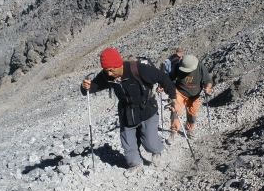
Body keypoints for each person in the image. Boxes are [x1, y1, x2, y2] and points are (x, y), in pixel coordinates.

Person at [81, 47, 181, 177]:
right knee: (128, 144)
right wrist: (85, 87)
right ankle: (135, 163)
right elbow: (91, 89)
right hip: (127, 112)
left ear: (119, 64)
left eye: (111, 70)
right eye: (107, 70)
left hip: (147, 108)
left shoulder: (138, 69)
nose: (109, 74)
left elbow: (162, 77)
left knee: (150, 143)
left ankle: (157, 151)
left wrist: (173, 98)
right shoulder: (106, 75)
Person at [159, 54, 213, 145]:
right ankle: (174, 131)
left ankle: (190, 129)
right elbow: (169, 77)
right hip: (180, 92)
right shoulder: (178, 66)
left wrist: (208, 88)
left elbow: (208, 81)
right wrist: (162, 85)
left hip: (194, 95)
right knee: (175, 109)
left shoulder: (200, 67)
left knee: (192, 114)